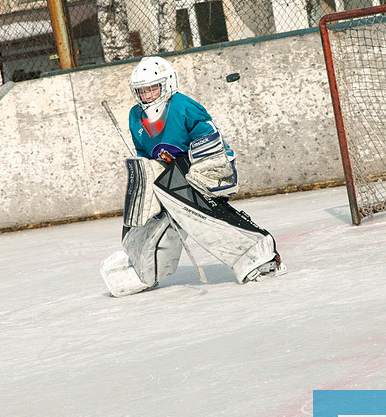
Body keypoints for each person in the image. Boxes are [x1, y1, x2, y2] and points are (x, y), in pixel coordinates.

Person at [100, 56, 283, 297]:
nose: (147, 95)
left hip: (195, 170)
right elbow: (145, 154)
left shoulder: (183, 106)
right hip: (166, 177)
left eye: (152, 88)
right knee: (154, 220)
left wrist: (202, 171)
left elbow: (209, 139)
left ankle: (259, 254)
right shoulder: (136, 116)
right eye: (142, 91)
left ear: (168, 84)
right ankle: (145, 270)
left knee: (203, 214)